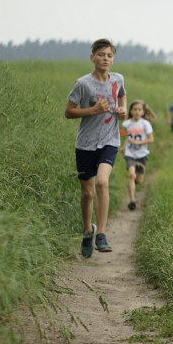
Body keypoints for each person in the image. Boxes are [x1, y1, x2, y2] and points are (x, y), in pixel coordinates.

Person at [64, 38, 126, 257]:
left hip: (110, 140)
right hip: (85, 144)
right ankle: (86, 231)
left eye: (109, 55)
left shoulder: (118, 79)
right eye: (101, 55)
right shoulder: (83, 84)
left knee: (102, 182)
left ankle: (101, 234)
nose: (105, 59)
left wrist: (123, 109)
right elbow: (68, 112)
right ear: (92, 58)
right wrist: (92, 110)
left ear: (113, 59)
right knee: (87, 193)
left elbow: (121, 94)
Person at [121, 100, 155, 210]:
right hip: (130, 153)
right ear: (131, 111)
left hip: (142, 155)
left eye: (139, 109)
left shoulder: (145, 124)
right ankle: (132, 201)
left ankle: (132, 185)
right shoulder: (126, 124)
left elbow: (151, 139)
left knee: (139, 180)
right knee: (131, 175)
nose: (137, 111)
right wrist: (124, 147)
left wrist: (138, 142)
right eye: (134, 109)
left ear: (143, 112)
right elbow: (127, 136)